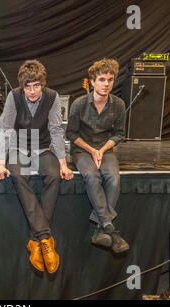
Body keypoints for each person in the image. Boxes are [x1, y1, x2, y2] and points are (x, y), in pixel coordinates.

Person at [0, 60, 74, 274]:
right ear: (22, 85)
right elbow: (5, 129)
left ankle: (35, 242)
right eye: (27, 86)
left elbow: (56, 130)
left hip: (43, 148)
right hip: (18, 148)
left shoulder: (52, 97)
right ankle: (45, 238)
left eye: (36, 85)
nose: (31, 91)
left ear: (43, 84)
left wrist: (63, 164)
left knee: (54, 176)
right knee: (19, 175)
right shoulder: (13, 96)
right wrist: (1, 163)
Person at [66, 58, 129, 254]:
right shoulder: (79, 104)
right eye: (101, 79)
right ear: (92, 82)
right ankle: (110, 228)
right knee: (92, 176)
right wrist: (92, 150)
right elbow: (71, 134)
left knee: (113, 178)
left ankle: (102, 227)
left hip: (105, 149)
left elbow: (119, 133)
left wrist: (101, 150)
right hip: (82, 149)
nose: (106, 84)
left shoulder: (118, 104)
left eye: (110, 79)